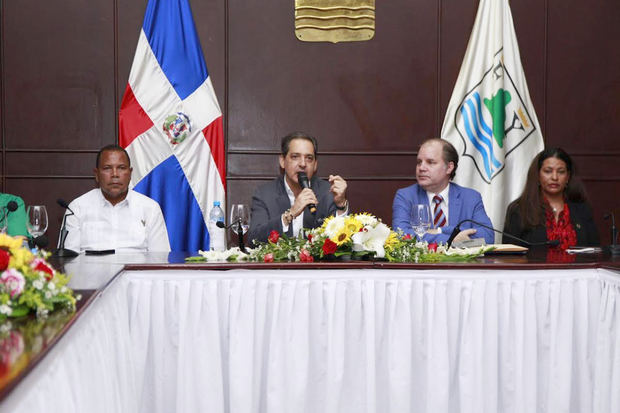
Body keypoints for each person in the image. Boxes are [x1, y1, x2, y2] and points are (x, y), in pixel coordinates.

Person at [63, 144, 171, 253]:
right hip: (91, 269)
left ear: (130, 174)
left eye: (121, 168)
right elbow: (68, 261)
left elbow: (160, 259)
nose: (115, 174)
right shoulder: (77, 208)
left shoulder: (150, 208)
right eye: (107, 168)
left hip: (136, 270)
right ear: (96, 174)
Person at [248, 132, 349, 244]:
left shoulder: (328, 191)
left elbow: (345, 242)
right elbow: (254, 240)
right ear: (282, 161)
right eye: (295, 157)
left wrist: (341, 205)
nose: (302, 164)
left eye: (309, 158)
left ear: (315, 165)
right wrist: (289, 214)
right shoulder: (264, 194)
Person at [392, 138, 494, 244]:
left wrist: (440, 231)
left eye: (430, 162)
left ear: (449, 167)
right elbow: (401, 236)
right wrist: (452, 240)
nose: (421, 168)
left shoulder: (471, 198)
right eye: (419, 162)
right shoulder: (406, 196)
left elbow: (488, 237)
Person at [503, 147, 599, 248]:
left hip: (577, 264)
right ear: (538, 175)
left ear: (568, 177)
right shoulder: (519, 209)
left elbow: (595, 250)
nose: (554, 177)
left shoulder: (582, 209)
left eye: (561, 172)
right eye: (548, 171)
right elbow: (509, 255)